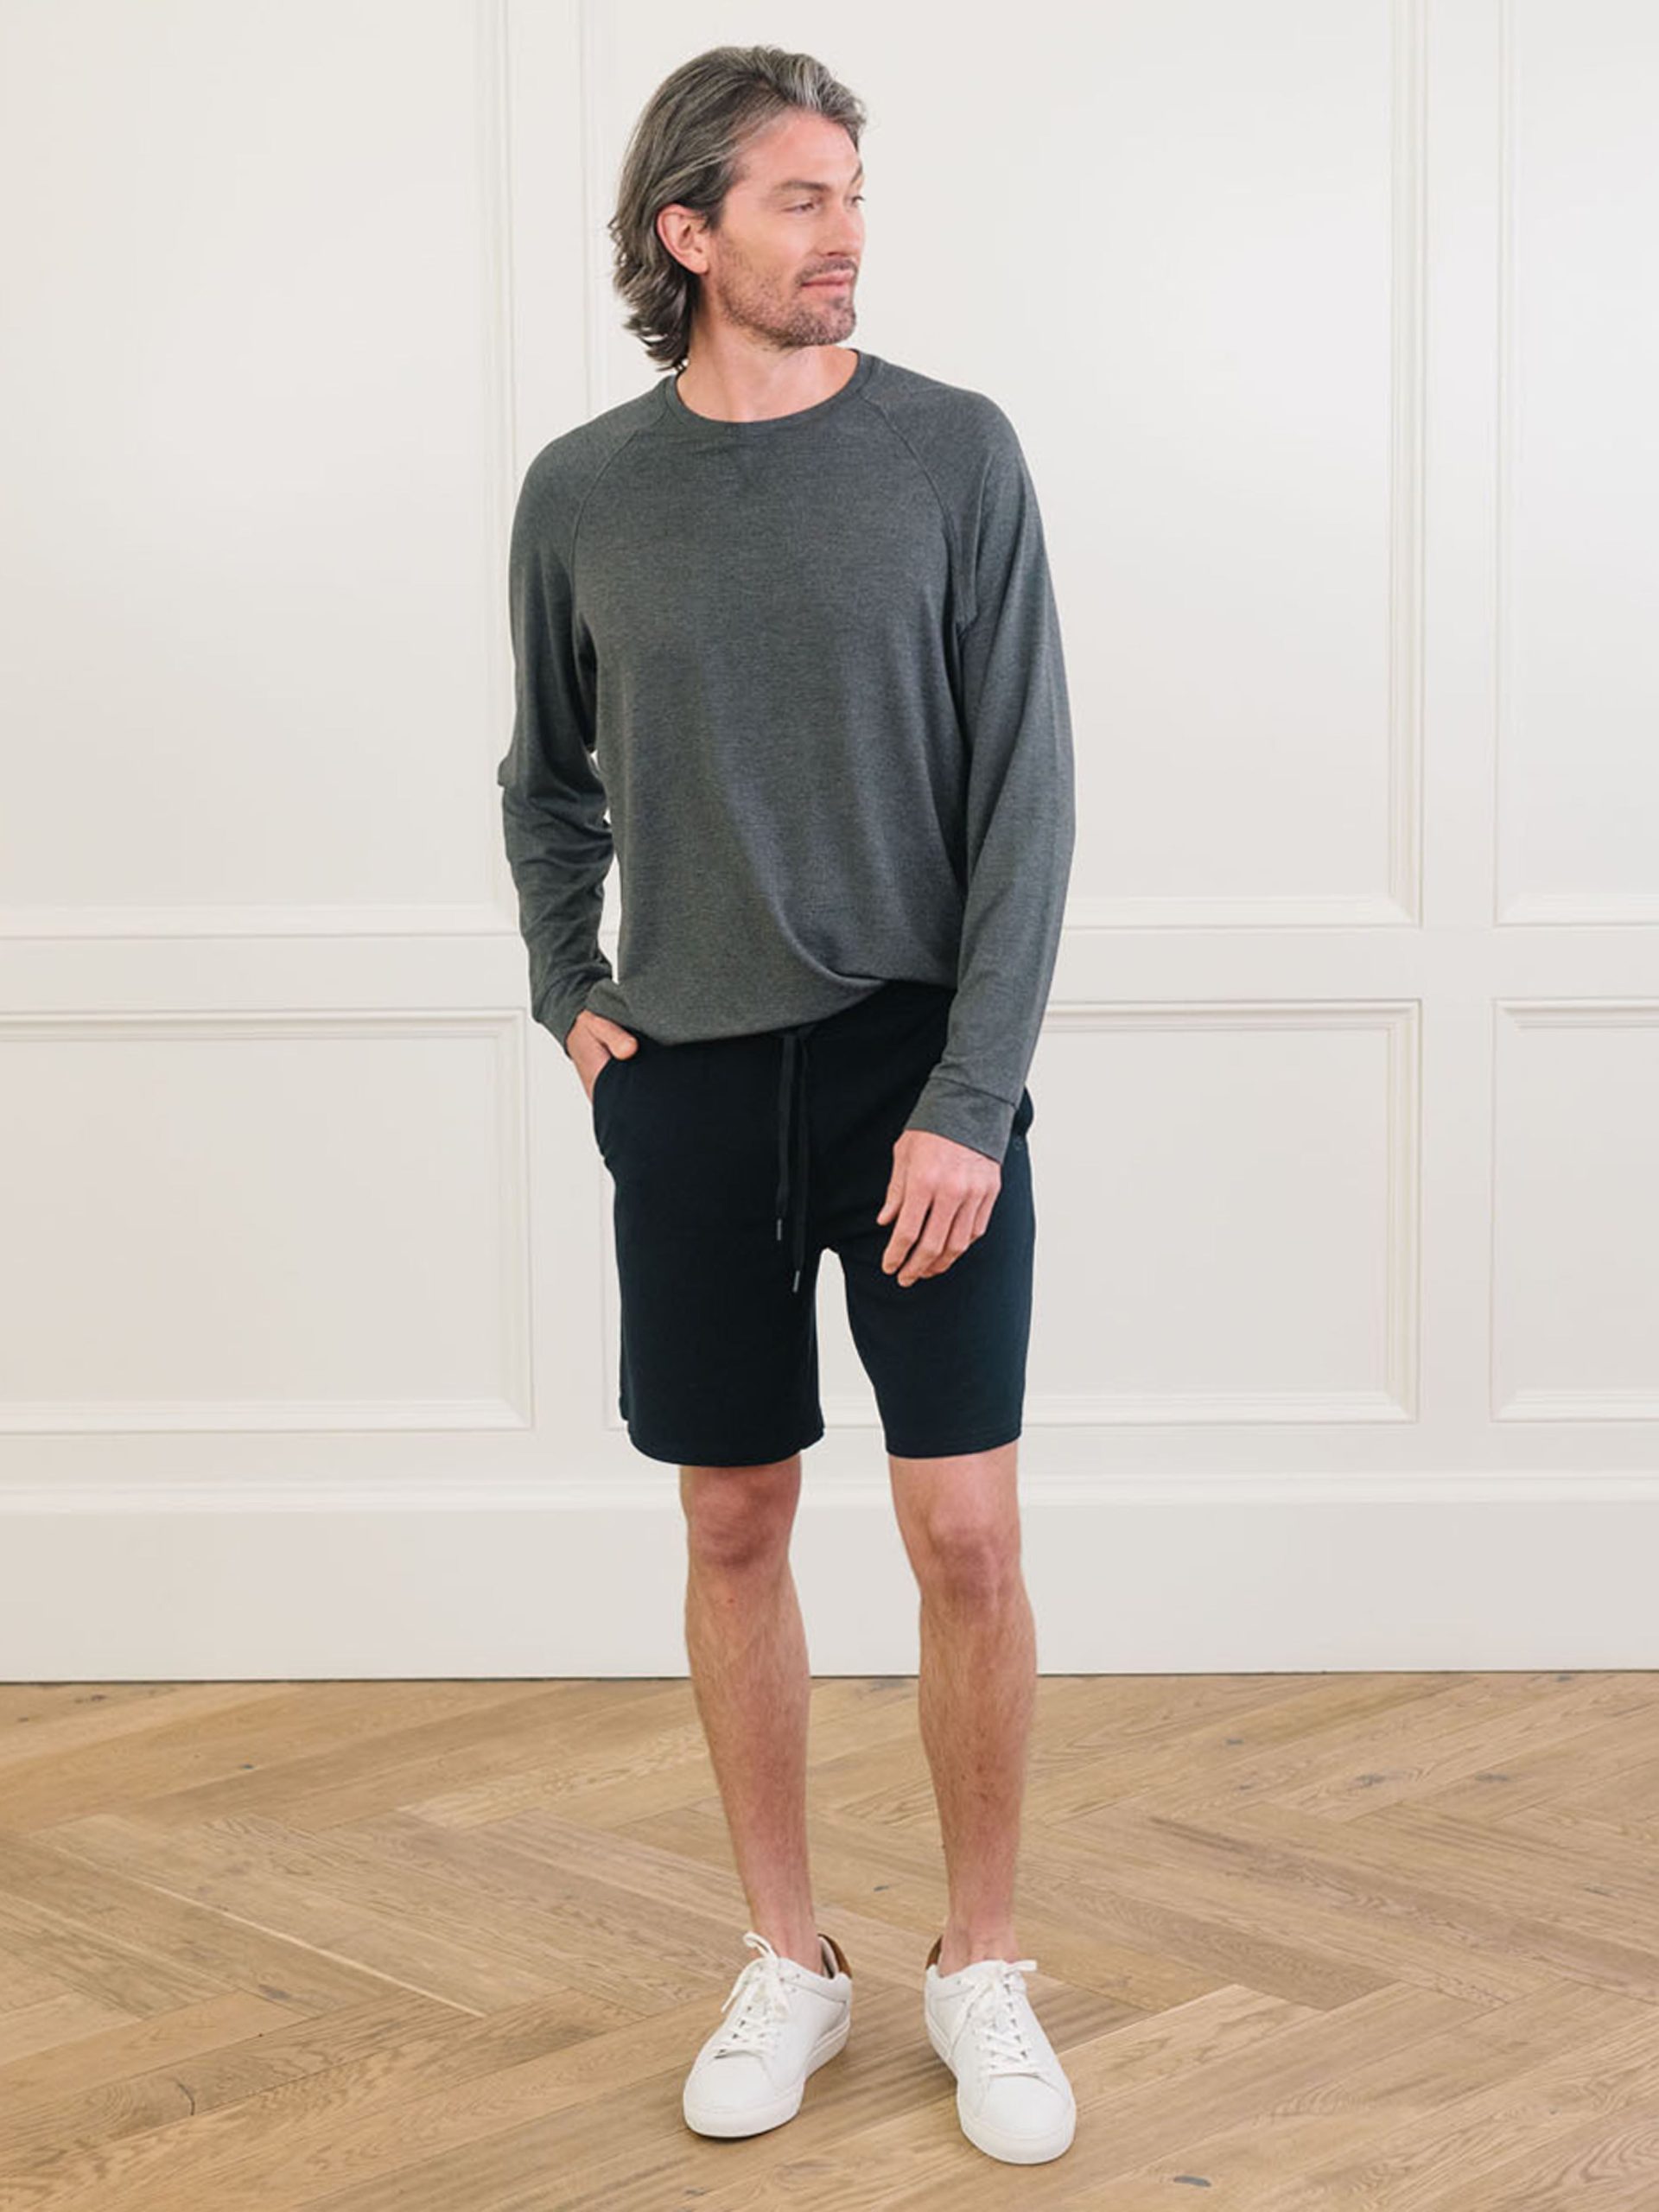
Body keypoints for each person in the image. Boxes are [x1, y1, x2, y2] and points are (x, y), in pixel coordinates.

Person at [497, 43, 1077, 2167]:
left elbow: (1028, 800)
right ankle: (788, 1956)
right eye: (800, 199)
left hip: (924, 1078)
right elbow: (544, 781)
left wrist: (973, 1098)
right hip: (693, 1083)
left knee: (968, 1528)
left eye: (853, 195)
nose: (845, 234)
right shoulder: (585, 490)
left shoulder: (954, 451)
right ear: (690, 232)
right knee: (734, 1518)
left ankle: (982, 1959)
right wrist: (573, 997)